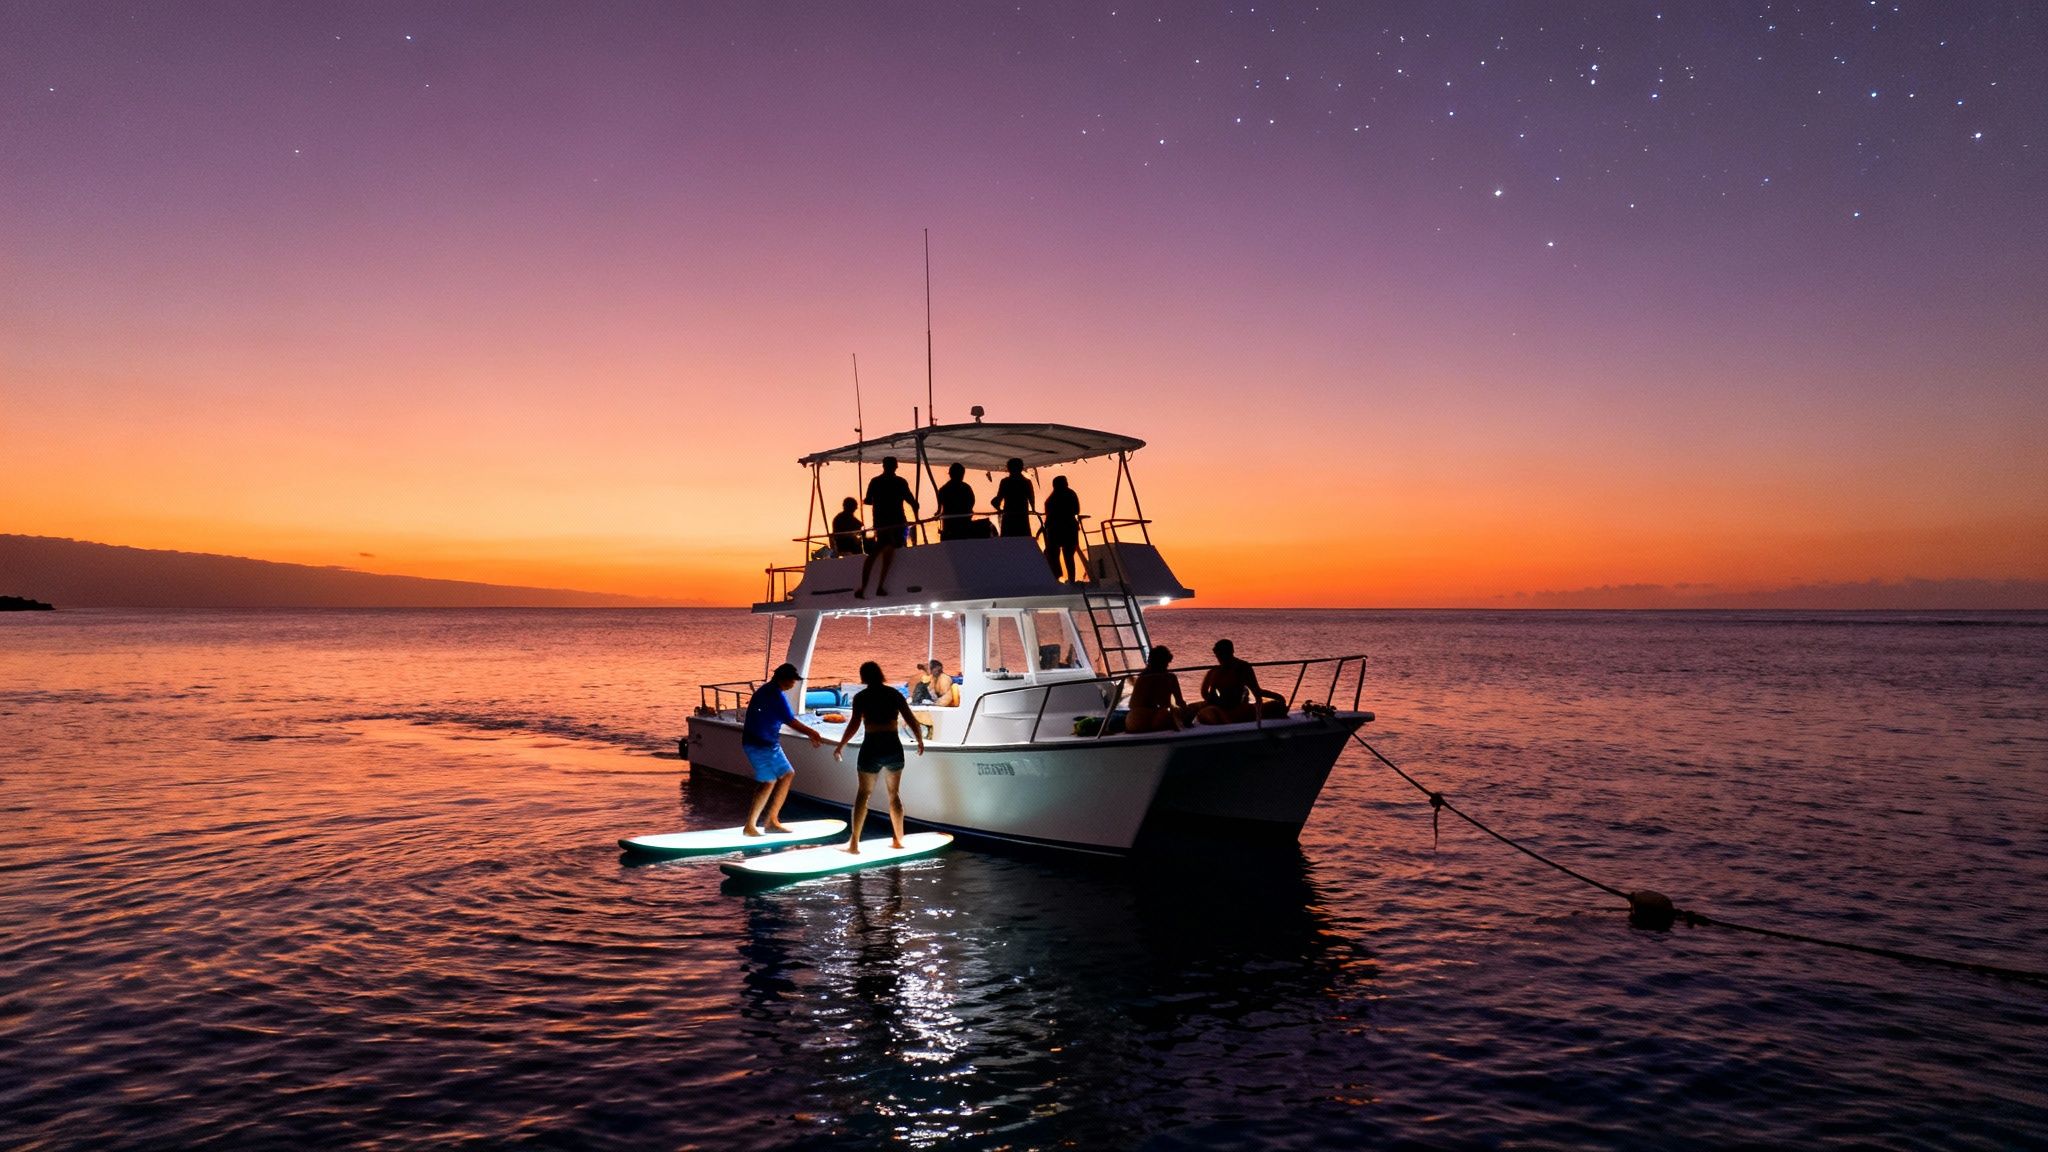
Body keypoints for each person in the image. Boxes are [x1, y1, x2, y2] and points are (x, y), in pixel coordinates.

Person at [833, 660, 925, 852]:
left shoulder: (861, 697)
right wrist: (919, 740)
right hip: (892, 746)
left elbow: (854, 725)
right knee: (894, 795)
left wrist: (840, 745)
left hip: (872, 747)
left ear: (863, 677)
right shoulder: (894, 694)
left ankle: (854, 844)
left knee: (863, 794)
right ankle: (898, 840)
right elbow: (910, 718)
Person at [741, 663, 824, 835]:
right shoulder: (774, 695)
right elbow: (790, 721)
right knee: (768, 781)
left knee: (787, 774)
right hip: (757, 744)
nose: (794, 684)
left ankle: (771, 820)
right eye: (793, 680)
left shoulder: (769, 690)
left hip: (770, 744)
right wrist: (812, 732)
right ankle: (750, 826)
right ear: (784, 679)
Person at [857, 456, 919, 598]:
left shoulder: (875, 482)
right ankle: (880, 586)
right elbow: (912, 502)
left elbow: (868, 500)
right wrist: (917, 517)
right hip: (897, 522)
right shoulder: (900, 482)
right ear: (896, 467)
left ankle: (864, 587)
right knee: (891, 549)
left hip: (881, 523)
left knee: (876, 552)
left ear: (883, 466)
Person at [1195, 638, 1289, 725]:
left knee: (1276, 706)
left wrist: (1278, 697)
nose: (1219, 659)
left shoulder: (1242, 667)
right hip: (1220, 708)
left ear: (1231, 652)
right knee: (1197, 710)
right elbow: (1205, 693)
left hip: (1236, 708)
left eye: (1222, 655)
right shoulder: (1214, 672)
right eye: (1218, 656)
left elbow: (1257, 692)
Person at [1125, 645, 1194, 734]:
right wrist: (1187, 713)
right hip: (1155, 718)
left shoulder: (1142, 678)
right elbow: (1179, 702)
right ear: (1166, 662)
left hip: (1135, 719)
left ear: (1150, 661)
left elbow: (1132, 705)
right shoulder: (1170, 678)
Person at [1041, 475, 1082, 581]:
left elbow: (1048, 515)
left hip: (1055, 528)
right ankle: (1071, 578)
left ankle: (1057, 576)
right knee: (1068, 555)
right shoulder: (1071, 494)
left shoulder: (1051, 498)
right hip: (1069, 527)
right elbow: (1076, 510)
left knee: (1054, 554)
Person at [991, 457, 1035, 539]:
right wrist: (1033, 509)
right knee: (1023, 540)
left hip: (1009, 516)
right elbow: (1031, 499)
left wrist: (998, 508)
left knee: (1008, 541)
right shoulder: (1026, 482)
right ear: (1021, 468)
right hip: (1022, 517)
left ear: (1009, 468)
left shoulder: (1005, 482)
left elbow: (997, 500)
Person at [935, 463, 977, 541]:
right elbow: (971, 503)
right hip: (962, 526)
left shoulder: (944, 489)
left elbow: (939, 509)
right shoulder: (966, 488)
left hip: (951, 527)